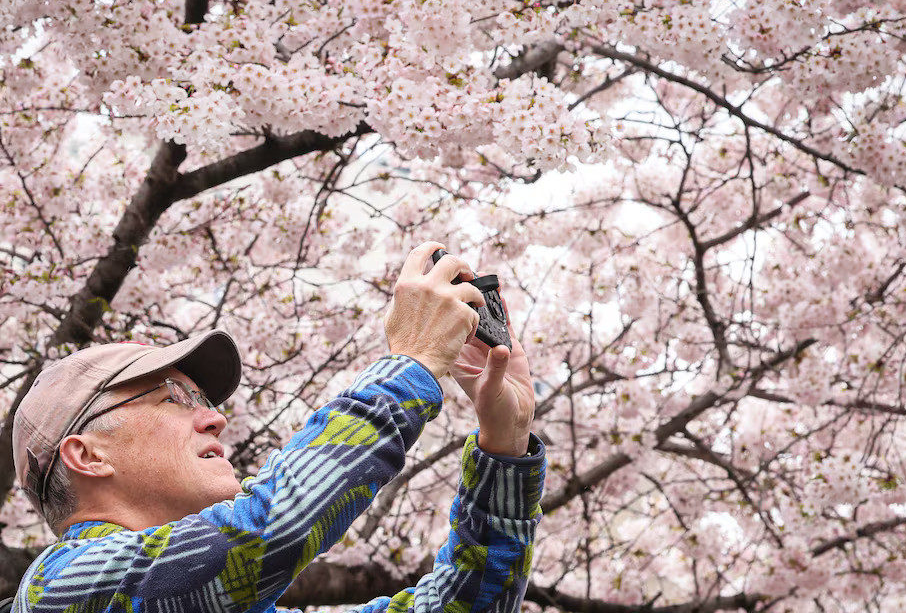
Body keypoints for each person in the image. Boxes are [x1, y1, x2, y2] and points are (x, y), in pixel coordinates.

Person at [9, 242, 545, 612]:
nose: (216, 417)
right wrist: (412, 363)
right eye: (174, 398)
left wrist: (506, 450)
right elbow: (269, 528)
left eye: (203, 398)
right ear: (89, 456)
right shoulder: (61, 590)